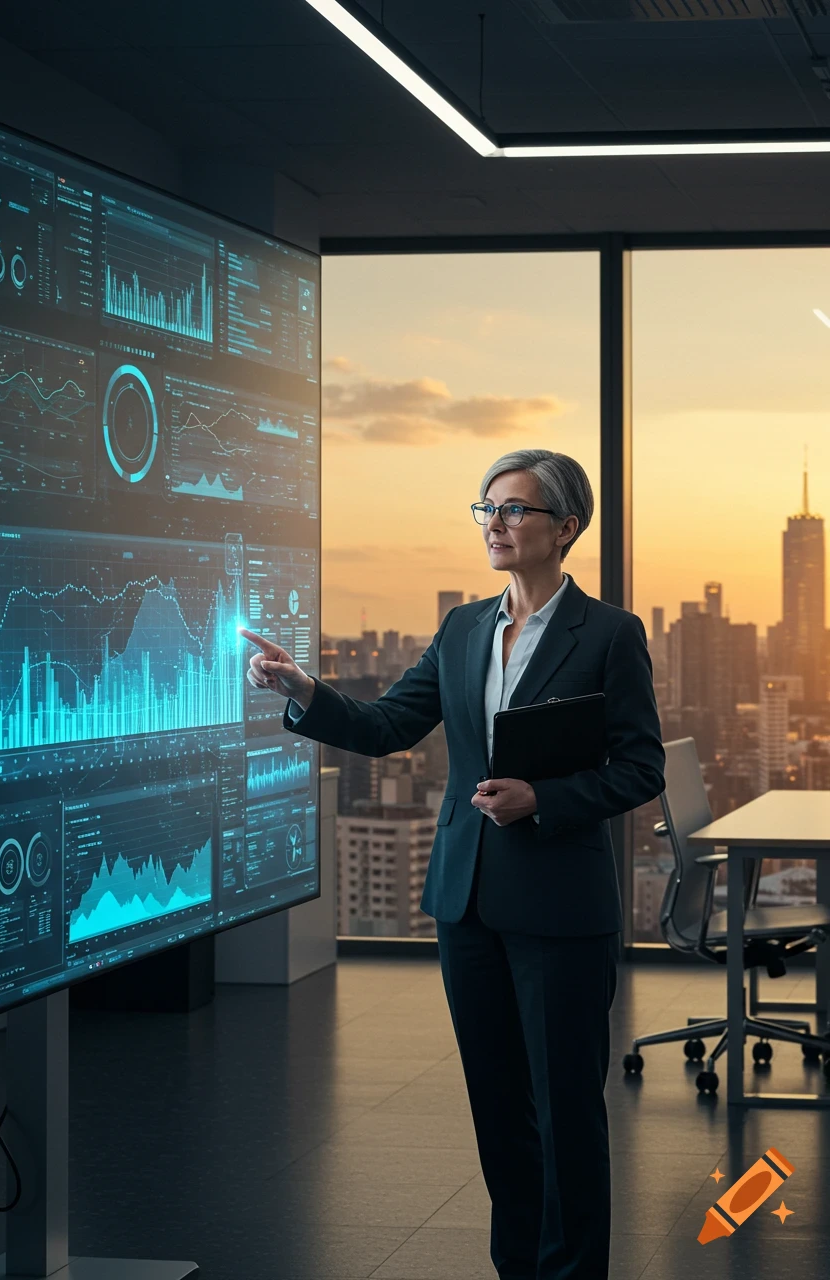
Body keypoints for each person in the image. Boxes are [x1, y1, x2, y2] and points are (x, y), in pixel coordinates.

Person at [239, 447, 665, 1280]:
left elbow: (639, 768)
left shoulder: (610, 635)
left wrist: (543, 800)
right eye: (486, 508)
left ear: (564, 527)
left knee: (565, 1112)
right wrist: (303, 692)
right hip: (466, 901)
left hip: (559, 908)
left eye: (514, 510)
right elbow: (391, 723)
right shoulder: (464, 627)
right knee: (499, 1110)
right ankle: (519, 1267)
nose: (495, 524)